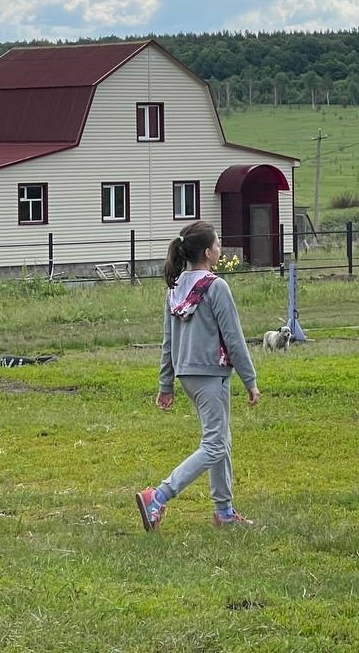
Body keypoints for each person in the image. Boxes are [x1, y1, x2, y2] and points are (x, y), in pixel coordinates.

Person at [135, 220, 260, 531]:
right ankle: (158, 495)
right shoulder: (216, 287)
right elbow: (233, 337)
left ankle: (225, 512)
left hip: (187, 375)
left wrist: (166, 385)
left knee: (220, 439)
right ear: (208, 251)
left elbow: (167, 343)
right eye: (218, 244)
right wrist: (250, 379)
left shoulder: (175, 289)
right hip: (210, 375)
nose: (220, 249)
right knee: (215, 444)